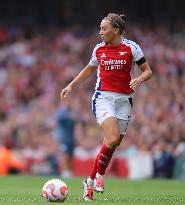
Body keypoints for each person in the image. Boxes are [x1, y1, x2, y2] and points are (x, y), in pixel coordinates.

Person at [60, 13, 152, 201]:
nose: (100, 32)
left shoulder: (131, 48)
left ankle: (90, 181)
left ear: (116, 30)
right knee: (112, 138)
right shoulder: (99, 49)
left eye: (104, 28)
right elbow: (89, 69)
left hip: (125, 100)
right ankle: (101, 176)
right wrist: (71, 85)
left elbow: (148, 71)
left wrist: (140, 79)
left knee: (113, 143)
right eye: (100, 28)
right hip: (104, 98)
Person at [55, 101, 77, 178]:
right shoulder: (63, 113)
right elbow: (59, 117)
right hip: (63, 139)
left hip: (71, 139)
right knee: (65, 155)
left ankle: (69, 172)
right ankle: (65, 172)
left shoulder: (73, 113)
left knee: (70, 155)